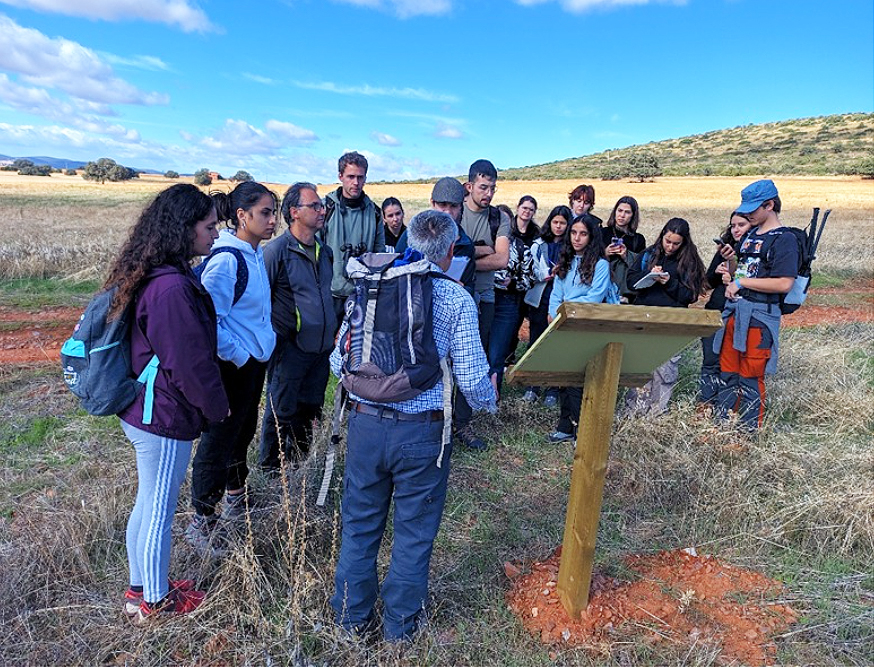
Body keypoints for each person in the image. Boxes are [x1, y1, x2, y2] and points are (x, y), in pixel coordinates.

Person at [330, 209, 498, 641]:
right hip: (422, 435)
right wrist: (490, 401)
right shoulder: (456, 298)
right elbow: (473, 378)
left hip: (365, 426)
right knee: (413, 534)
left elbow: (338, 363)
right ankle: (399, 630)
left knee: (360, 525)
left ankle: (349, 623)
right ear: (447, 254)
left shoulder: (369, 286)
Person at [107, 184, 229, 620]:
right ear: (184, 229)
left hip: (145, 407)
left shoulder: (157, 274)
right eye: (209, 226)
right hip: (163, 413)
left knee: (148, 501)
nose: (215, 234)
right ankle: (154, 604)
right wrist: (217, 408)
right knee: (159, 506)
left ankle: (139, 589)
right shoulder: (172, 288)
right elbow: (189, 362)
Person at [186, 182, 277, 553]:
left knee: (242, 432)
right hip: (232, 368)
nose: (274, 220)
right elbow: (209, 320)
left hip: (252, 363)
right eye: (265, 213)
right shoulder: (227, 261)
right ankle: (202, 520)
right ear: (242, 216)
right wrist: (240, 355)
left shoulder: (253, 254)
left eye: (274, 212)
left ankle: (236, 497)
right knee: (219, 439)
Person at [259, 183, 336, 475]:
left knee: (310, 406)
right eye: (314, 206)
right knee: (281, 409)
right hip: (289, 347)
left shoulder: (325, 252)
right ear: (294, 212)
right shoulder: (276, 252)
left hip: (321, 348)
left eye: (321, 205)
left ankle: (300, 463)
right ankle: (271, 468)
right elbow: (261, 300)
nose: (322, 210)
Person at [715, 180, 799, 430]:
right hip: (735, 313)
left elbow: (784, 283)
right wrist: (731, 270)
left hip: (759, 318)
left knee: (751, 376)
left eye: (753, 208)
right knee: (728, 372)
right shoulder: (751, 235)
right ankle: (723, 425)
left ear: (770, 205)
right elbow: (743, 271)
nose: (748, 213)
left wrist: (742, 284)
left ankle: (747, 432)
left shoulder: (785, 239)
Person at [454, 159, 511, 450]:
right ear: (469, 186)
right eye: (483, 187)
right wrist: (481, 249)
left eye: (492, 188)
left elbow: (501, 259)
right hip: (451, 294)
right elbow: (446, 254)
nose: (488, 194)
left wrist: (466, 257)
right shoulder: (454, 210)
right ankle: (439, 419)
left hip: (484, 298)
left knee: (472, 360)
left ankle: (462, 423)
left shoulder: (499, 218)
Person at [546, 214, 618, 443]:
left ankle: (581, 431)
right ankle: (565, 426)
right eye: (574, 232)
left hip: (585, 325)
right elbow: (557, 292)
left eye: (583, 233)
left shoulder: (601, 264)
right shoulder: (565, 260)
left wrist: (568, 311)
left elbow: (595, 296)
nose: (577, 238)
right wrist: (554, 313)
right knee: (565, 377)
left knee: (578, 379)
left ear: (591, 236)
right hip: (563, 323)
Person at [625, 217, 707, 415]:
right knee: (639, 366)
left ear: (684, 242)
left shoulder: (690, 262)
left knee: (665, 368)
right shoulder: (648, 254)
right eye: (667, 241)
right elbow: (630, 282)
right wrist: (649, 275)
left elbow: (690, 295)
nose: (670, 247)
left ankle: (657, 411)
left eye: (676, 243)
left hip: (671, 322)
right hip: (644, 319)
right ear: (662, 235)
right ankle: (634, 409)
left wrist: (668, 283)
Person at [322, 151, 385, 328]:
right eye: (350, 176)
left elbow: (379, 254)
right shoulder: (325, 209)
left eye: (360, 177)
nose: (356, 183)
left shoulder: (374, 212)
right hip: (330, 294)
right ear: (340, 176)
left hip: (362, 294)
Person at [698, 212, 751, 409]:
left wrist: (735, 271)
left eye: (741, 225)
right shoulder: (726, 248)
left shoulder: (755, 252)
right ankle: (706, 404)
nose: (736, 229)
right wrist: (719, 271)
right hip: (716, 309)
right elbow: (707, 282)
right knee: (710, 361)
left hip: (739, 313)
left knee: (731, 365)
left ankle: (727, 407)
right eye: (733, 225)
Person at [489, 195, 539, 393]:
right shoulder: (484, 242)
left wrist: (512, 283)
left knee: (498, 352)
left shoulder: (520, 246)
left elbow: (528, 278)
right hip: (485, 297)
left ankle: (493, 396)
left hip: (508, 301)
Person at [395, 177, 477, 295]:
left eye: (453, 206)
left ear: (461, 206)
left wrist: (461, 289)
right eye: (443, 204)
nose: (448, 212)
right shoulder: (412, 234)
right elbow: (395, 272)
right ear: (433, 203)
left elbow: (470, 285)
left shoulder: (466, 244)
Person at [523, 205, 571, 404]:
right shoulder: (539, 244)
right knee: (536, 340)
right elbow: (529, 269)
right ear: (549, 222)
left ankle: (553, 388)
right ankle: (532, 386)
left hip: (562, 299)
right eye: (555, 222)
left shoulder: (571, 246)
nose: (558, 227)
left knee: (556, 344)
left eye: (562, 223)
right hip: (541, 297)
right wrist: (543, 274)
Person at [601, 196, 647, 302]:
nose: (622, 215)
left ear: (633, 216)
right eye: (620, 210)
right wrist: (605, 253)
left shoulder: (638, 239)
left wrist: (627, 256)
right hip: (603, 285)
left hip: (625, 293)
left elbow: (641, 268)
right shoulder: (602, 233)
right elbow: (591, 260)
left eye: (627, 212)